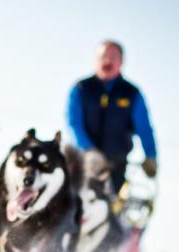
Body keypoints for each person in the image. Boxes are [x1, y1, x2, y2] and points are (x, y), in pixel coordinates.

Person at [67, 40, 158, 193]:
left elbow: (144, 128)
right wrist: (88, 150)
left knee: (110, 207)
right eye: (103, 56)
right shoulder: (81, 88)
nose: (107, 61)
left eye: (113, 57)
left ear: (121, 61)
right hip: (82, 165)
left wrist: (151, 156)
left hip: (116, 166)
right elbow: (73, 123)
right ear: (96, 60)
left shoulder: (132, 93)